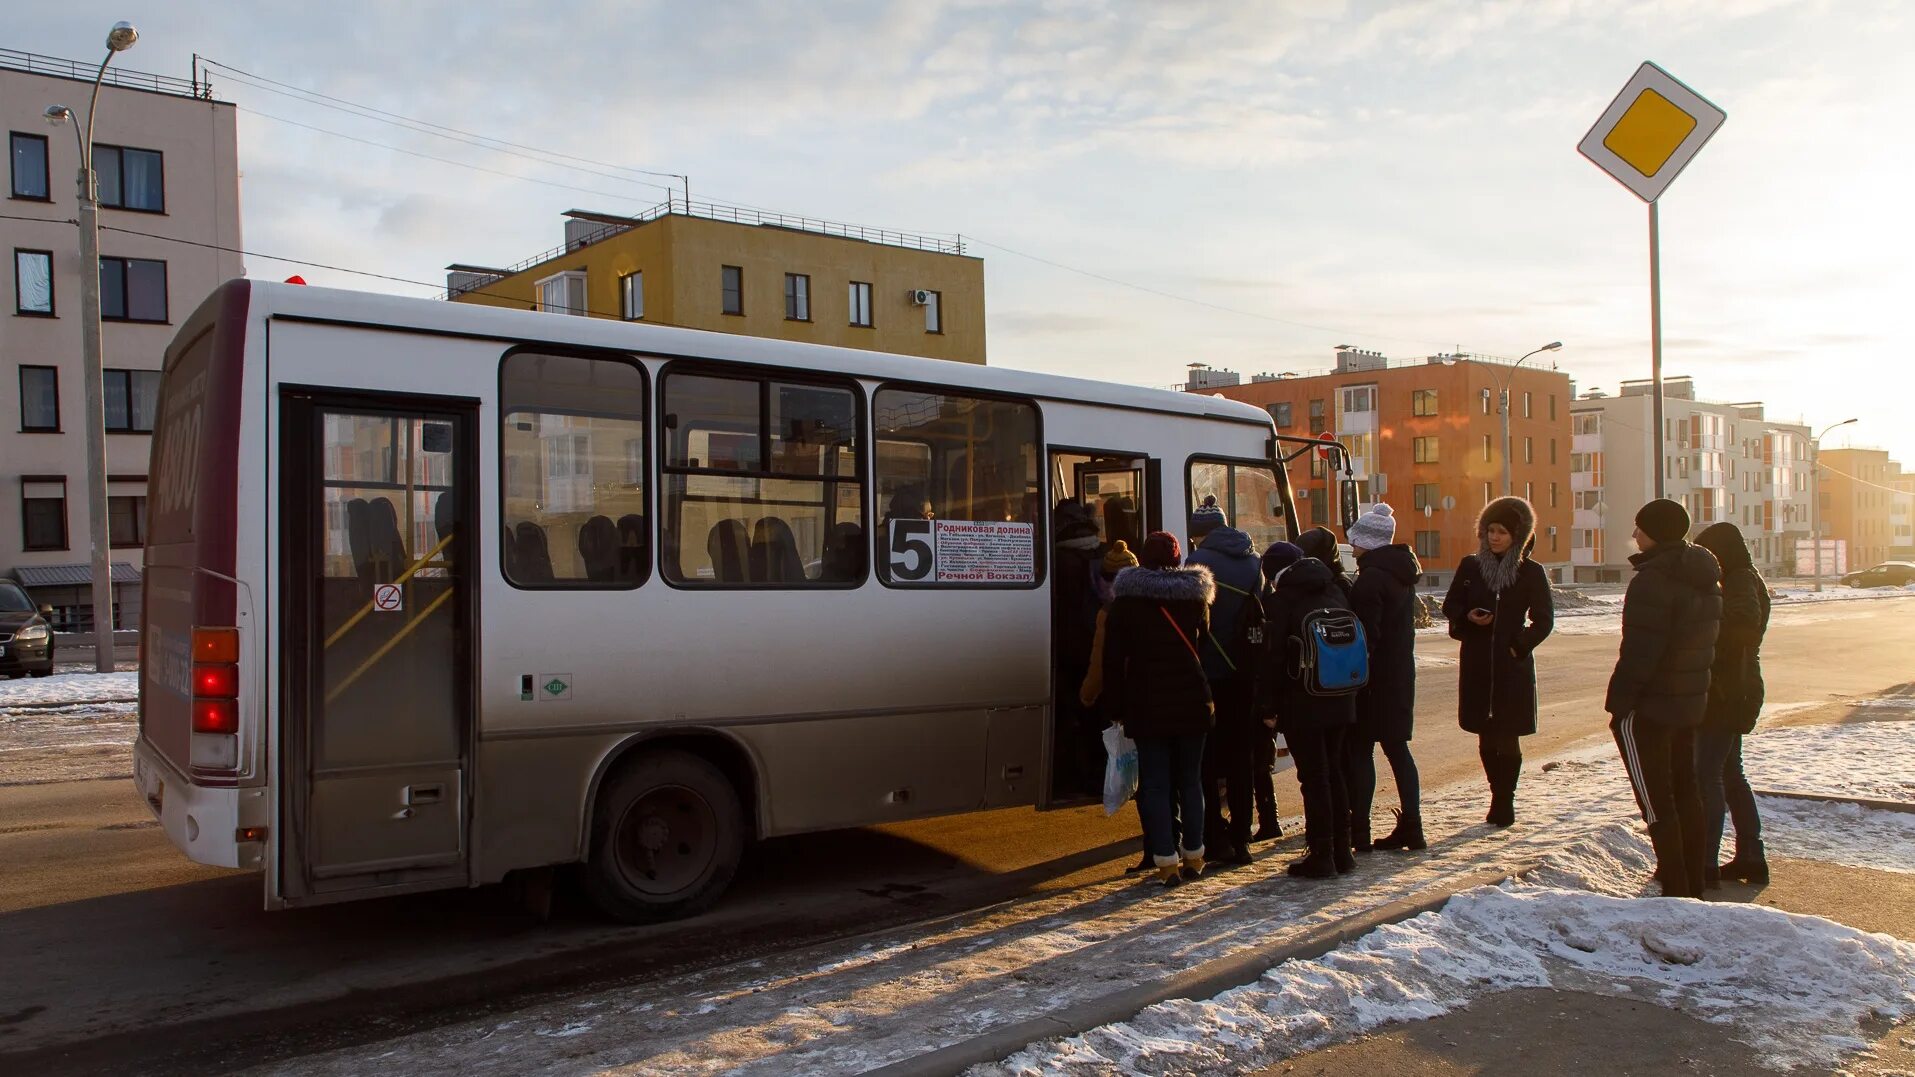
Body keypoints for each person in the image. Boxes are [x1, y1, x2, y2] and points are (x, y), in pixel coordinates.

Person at [1605, 498, 1722, 898]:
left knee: (1655, 799)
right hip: (1687, 703)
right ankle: (1693, 881)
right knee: (1686, 793)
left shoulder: (1653, 579)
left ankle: (1675, 885)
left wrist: (1620, 706)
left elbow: (1639, 650)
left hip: (1650, 706)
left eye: (1640, 527)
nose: (1634, 534)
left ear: (1656, 532)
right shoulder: (1702, 576)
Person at [1101, 531, 1216, 888]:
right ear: (1178, 558)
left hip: (1146, 703)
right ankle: (1195, 855)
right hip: (1192, 701)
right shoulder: (1196, 599)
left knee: (1154, 784)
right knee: (1190, 780)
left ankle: (1165, 861)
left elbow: (1113, 660)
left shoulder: (1125, 604)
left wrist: (1116, 707)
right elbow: (1205, 647)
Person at [1442, 496, 1555, 827]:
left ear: (1516, 536)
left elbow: (1544, 619)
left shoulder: (1530, 572)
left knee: (1507, 734)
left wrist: (1518, 646)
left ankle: (1505, 800)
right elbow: (1450, 605)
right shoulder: (1471, 566)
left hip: (1511, 667)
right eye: (1490, 530)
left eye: (1502, 532)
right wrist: (1467, 617)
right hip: (1477, 662)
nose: (1494, 537)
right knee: (1485, 734)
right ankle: (1495, 793)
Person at [1256, 541, 1357, 878]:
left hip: (1304, 702)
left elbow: (1271, 659)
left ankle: (1322, 854)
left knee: (1314, 778)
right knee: (1335, 772)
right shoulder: (1335, 591)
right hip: (1342, 695)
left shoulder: (1281, 601)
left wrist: (1268, 706)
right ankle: (1343, 851)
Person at [1342, 504, 1426, 853]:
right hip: (1399, 675)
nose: (1352, 546)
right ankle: (1413, 826)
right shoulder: (1400, 573)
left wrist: (1357, 675)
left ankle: (1359, 831)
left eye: (1356, 540)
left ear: (1369, 543)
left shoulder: (1372, 578)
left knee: (1361, 750)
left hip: (1374, 681)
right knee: (1397, 750)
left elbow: (1368, 637)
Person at [1186, 495, 1264, 867]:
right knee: (1240, 758)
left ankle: (1215, 836)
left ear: (1201, 534)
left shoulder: (1198, 564)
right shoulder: (1253, 560)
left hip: (1210, 672)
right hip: (1245, 672)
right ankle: (1242, 838)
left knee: (1208, 759)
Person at [1693, 521, 1772, 887]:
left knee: (1708, 774)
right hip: (1737, 687)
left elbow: (1743, 625)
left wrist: (1705, 622)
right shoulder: (1745, 577)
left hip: (1728, 690)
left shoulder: (1739, 579)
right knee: (1729, 773)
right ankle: (1750, 857)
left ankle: (1705, 861)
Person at [1079, 539, 1160, 874]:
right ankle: (1173, 845)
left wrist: (1086, 696)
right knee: (1164, 778)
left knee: (1146, 783)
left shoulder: (1109, 612)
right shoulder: (1160, 600)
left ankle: (1154, 850)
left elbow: (1101, 665)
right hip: (1164, 700)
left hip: (1133, 706)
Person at [1052, 500, 1106, 798]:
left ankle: (1072, 775)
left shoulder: (1058, 560)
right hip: (1097, 645)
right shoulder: (1104, 552)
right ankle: (1099, 775)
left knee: (1068, 714)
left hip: (1068, 652)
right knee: (1095, 715)